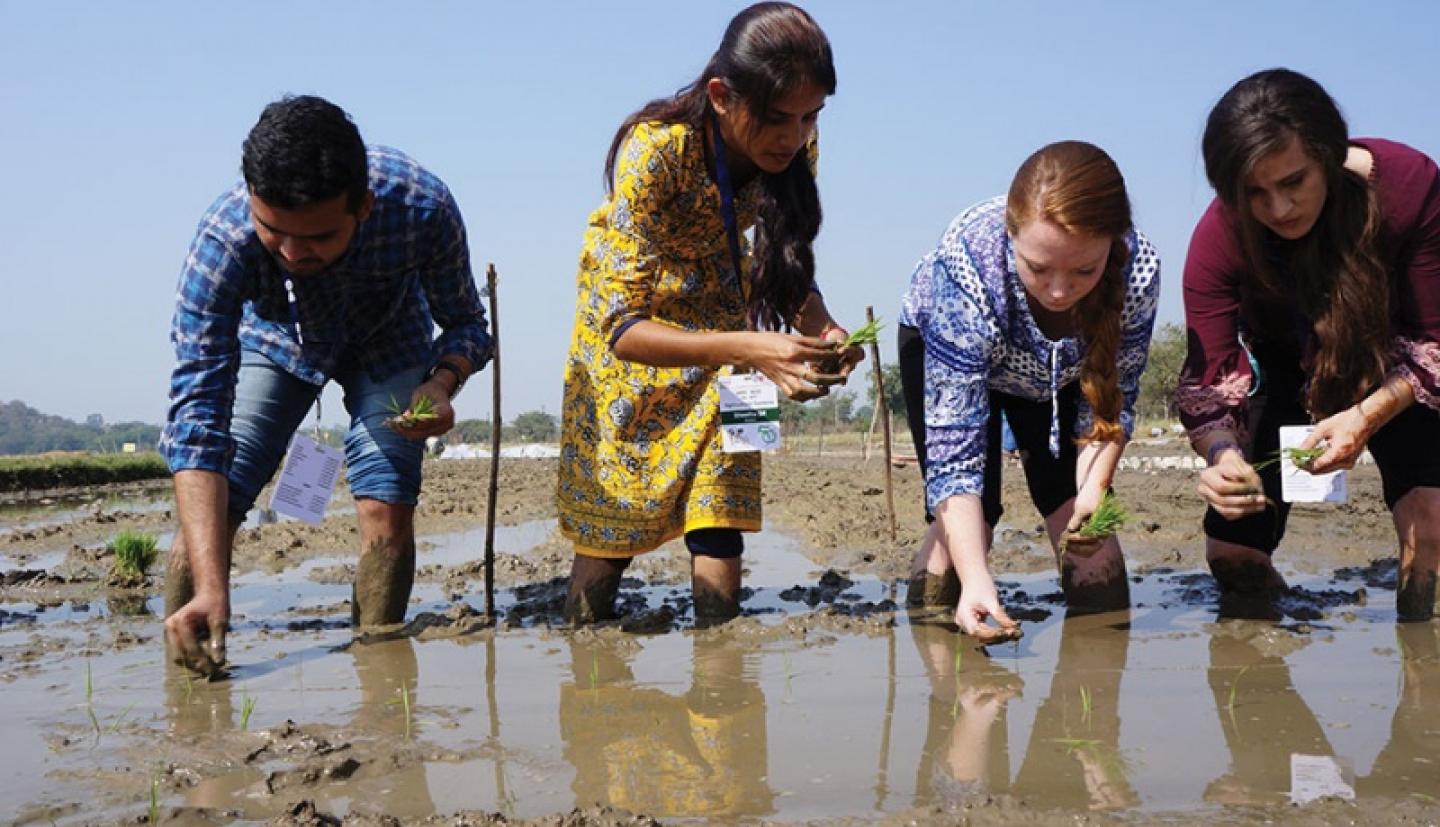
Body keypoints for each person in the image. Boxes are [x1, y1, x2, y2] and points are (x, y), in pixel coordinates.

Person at [161, 95, 491, 674]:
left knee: (387, 504)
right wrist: (215, 586)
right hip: (278, 340)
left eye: (314, 239)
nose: (291, 253)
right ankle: (191, 671)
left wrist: (443, 382)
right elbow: (196, 421)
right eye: (273, 231)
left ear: (361, 207)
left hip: (388, 340)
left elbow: (465, 323)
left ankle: (380, 681)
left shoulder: (422, 207)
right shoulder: (222, 243)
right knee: (213, 506)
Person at [556, 1, 859, 624]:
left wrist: (821, 332)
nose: (796, 135)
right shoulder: (656, 150)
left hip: (732, 317)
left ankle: (722, 674)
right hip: (637, 330)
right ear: (722, 95)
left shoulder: (798, 145)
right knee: (613, 521)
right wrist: (750, 347)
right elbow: (622, 331)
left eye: (811, 117)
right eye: (779, 118)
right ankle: (586, 656)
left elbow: (781, 266)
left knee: (723, 510)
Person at [1178, 68, 1440, 620]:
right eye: (1255, 192)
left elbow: (1433, 341)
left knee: (1431, 521)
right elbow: (1209, 385)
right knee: (1233, 555)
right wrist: (1222, 456)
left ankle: (1417, 665)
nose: (1278, 210)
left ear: (1328, 153)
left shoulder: (1409, 187)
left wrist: (1363, 418)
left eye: (1293, 182)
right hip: (1286, 363)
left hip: (1395, 366)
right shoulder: (1218, 238)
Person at [898, 141, 1160, 640]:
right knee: (973, 525)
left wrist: (1092, 491)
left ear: (1112, 244)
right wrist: (977, 579)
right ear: (1010, 237)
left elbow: (1111, 400)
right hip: (948, 350)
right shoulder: (969, 263)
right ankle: (938, 663)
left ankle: (1094, 704)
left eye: (1084, 270)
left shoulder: (1138, 272)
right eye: (1038, 268)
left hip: (1061, 371)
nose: (1059, 291)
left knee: (1090, 538)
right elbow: (955, 455)